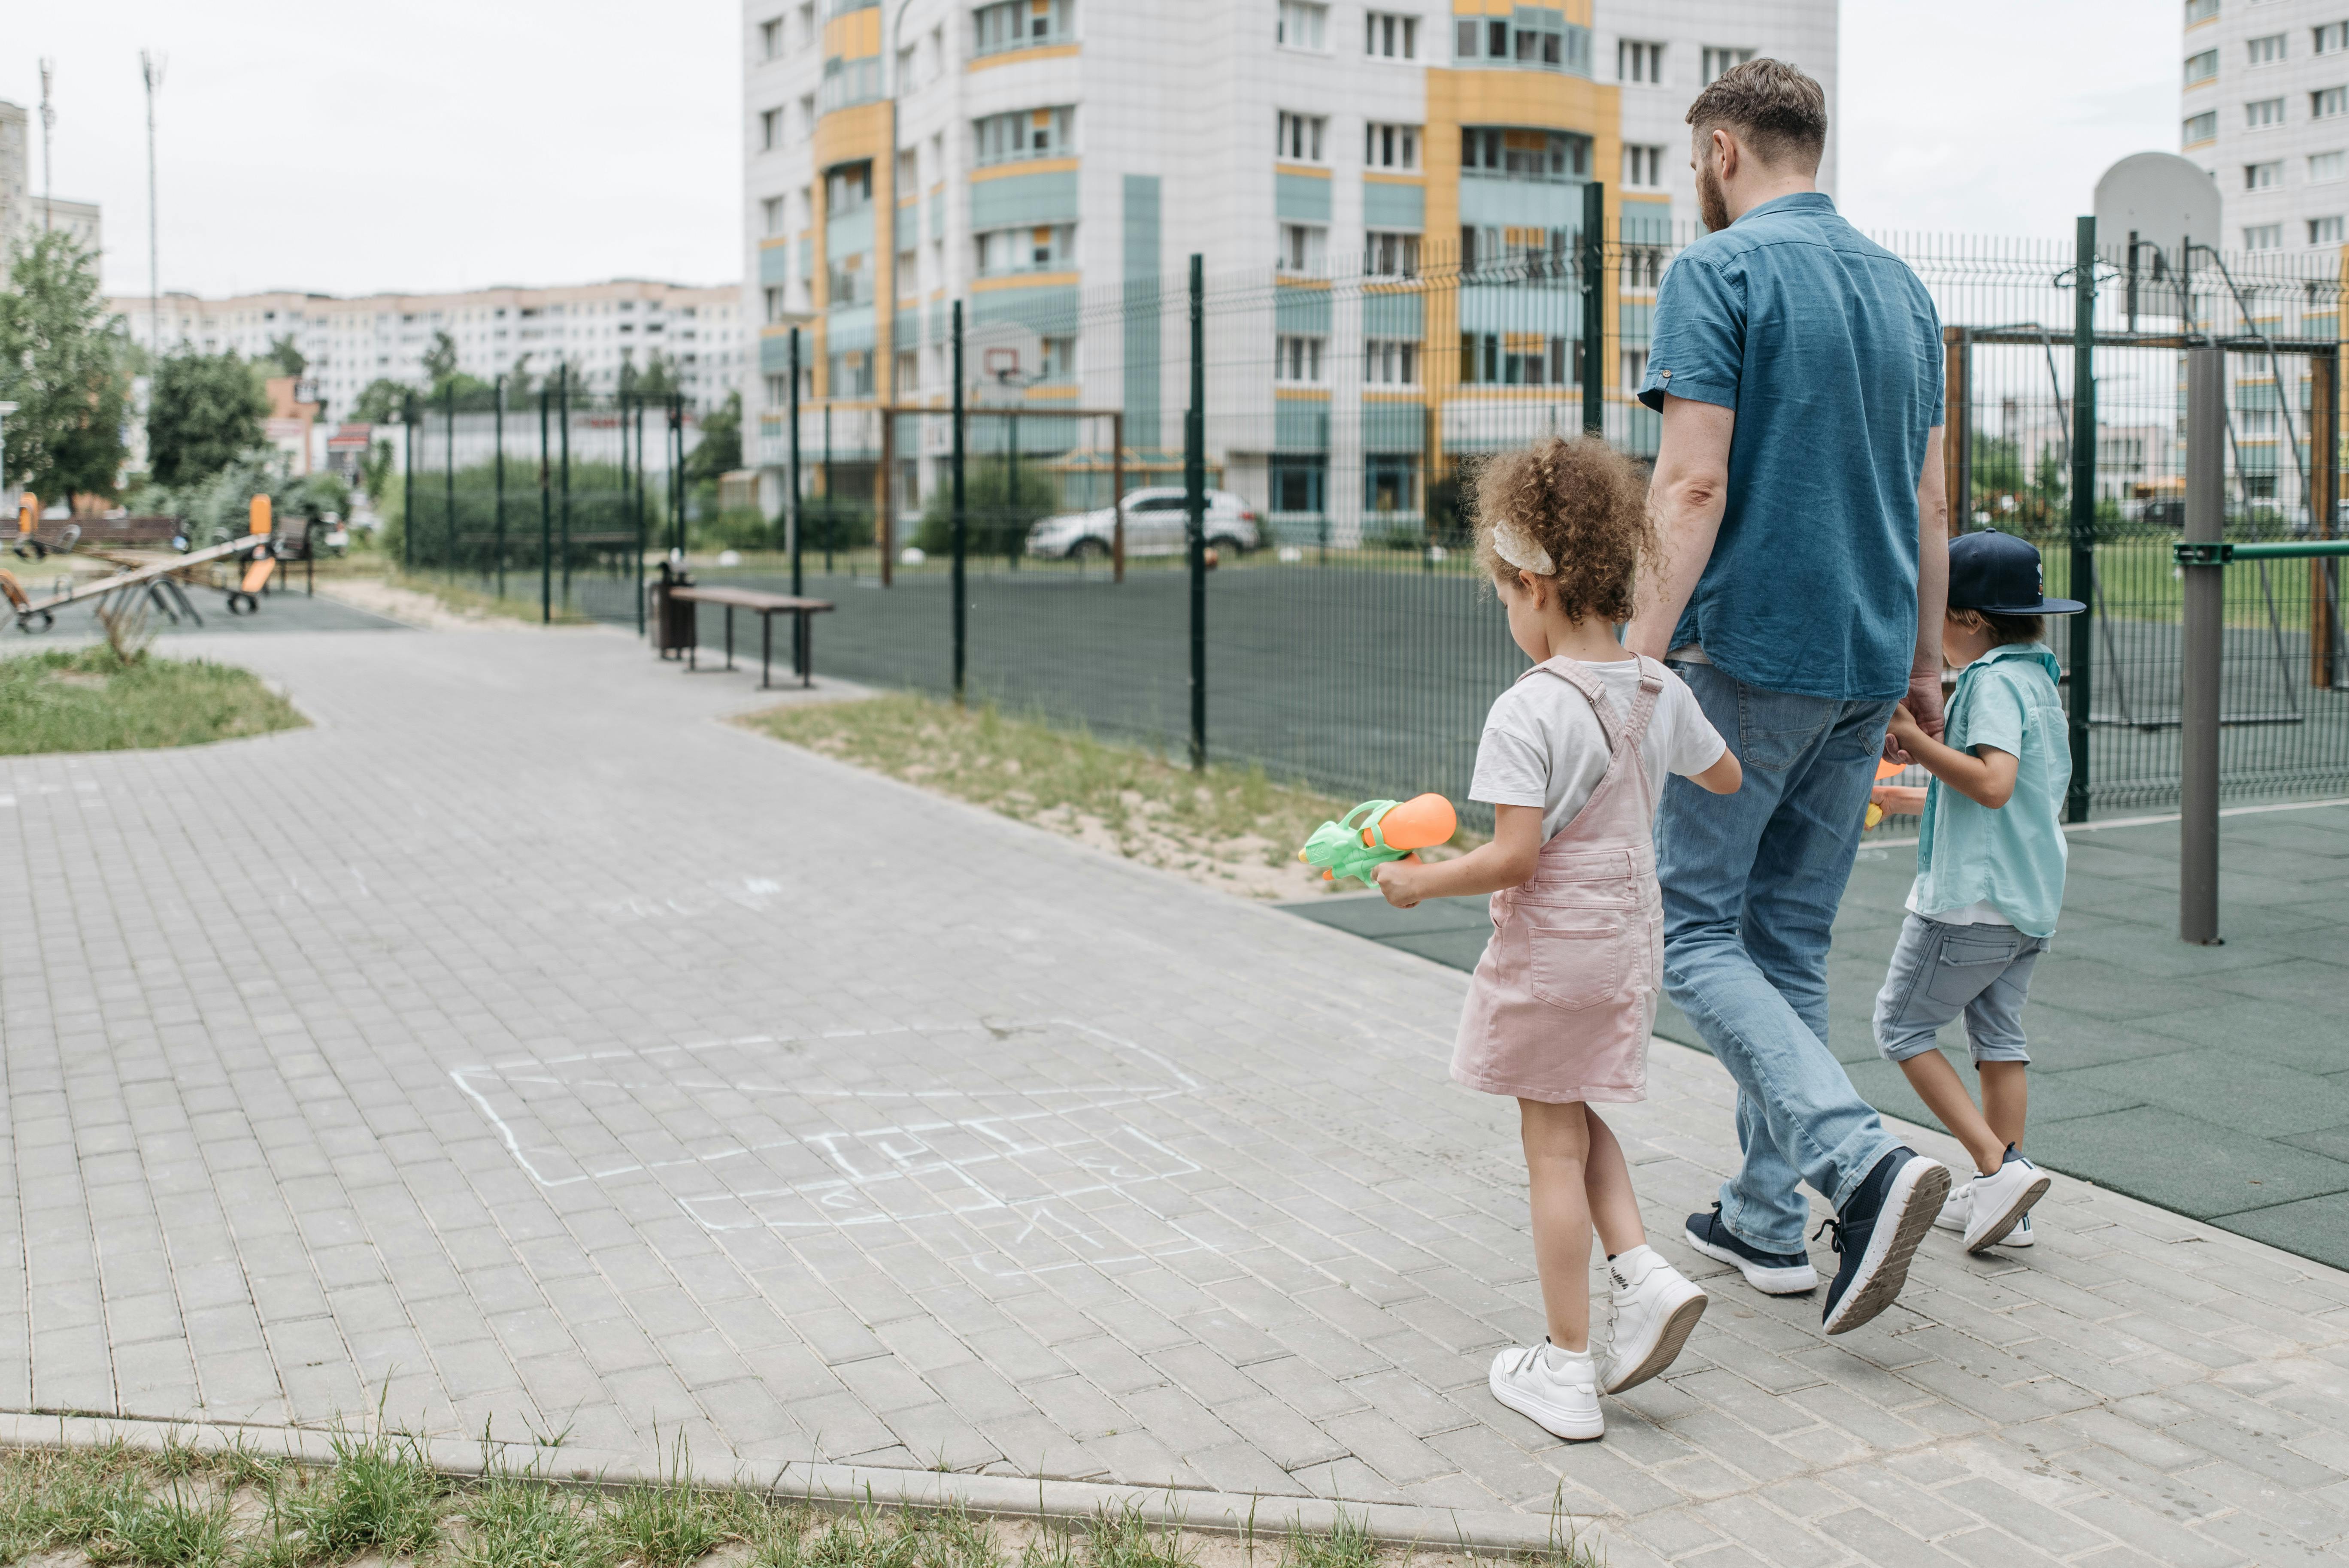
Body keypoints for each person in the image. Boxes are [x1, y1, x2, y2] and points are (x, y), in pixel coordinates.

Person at [1621, 58, 1957, 1335]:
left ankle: (1855, 1159)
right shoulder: (1907, 292)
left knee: (1695, 932)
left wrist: (1635, 661)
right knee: (1788, 946)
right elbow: (1930, 504)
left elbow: (1690, 483)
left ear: (1719, 150)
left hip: (1748, 652)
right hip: (1871, 659)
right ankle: (1766, 1218)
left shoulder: (1717, 273)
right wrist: (1923, 662)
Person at [1375, 436, 1742, 1441]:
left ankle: (1569, 1368)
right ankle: (1646, 1272)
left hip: (1551, 946)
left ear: (1534, 583)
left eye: (1503, 597)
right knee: (1572, 1112)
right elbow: (1726, 779)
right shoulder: (1659, 689)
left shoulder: (1527, 708)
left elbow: (1512, 858)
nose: (1506, 616)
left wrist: (1418, 882)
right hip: (1628, 941)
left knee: (1547, 1145)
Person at [1876, 530, 2080, 1253]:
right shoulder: (2035, 676)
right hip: (2027, 897)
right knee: (1998, 1041)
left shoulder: (1989, 680)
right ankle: (2009, 1207)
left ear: (1966, 620)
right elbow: (2011, 786)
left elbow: (1989, 784)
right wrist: (1916, 792)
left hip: (1971, 901)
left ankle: (1997, 1166)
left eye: (1934, 615)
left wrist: (1912, 735)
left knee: (1898, 1027)